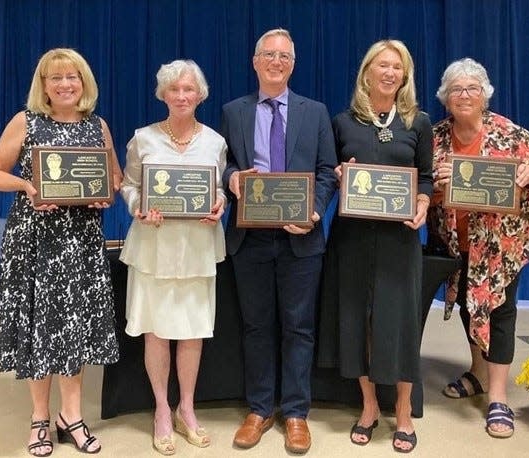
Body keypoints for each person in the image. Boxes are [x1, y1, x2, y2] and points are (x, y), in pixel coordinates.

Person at [0, 48, 122, 456]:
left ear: (84, 82)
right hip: (34, 243)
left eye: (72, 77)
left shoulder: (98, 125)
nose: (64, 84)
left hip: (80, 243)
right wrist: (27, 187)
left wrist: (105, 194)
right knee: (38, 331)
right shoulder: (26, 122)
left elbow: (112, 177)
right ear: (43, 85)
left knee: (72, 330)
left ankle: (71, 417)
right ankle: (40, 418)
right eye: (55, 78)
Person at [427, 58, 529, 438]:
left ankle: (498, 397)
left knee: (499, 311)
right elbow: (422, 193)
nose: (464, 95)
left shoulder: (511, 134)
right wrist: (436, 186)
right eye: (456, 90)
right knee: (470, 306)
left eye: (471, 88)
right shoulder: (435, 137)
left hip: (501, 245)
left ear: (484, 95)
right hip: (456, 240)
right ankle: (478, 372)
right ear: (446, 99)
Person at [221, 28, 336, 454]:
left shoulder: (316, 111)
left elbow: (327, 171)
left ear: (293, 63)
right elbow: (225, 162)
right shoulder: (233, 111)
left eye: (284, 56)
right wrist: (232, 178)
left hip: (301, 239)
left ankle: (295, 413)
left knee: (299, 327)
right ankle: (258, 408)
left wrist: (315, 211)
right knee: (255, 326)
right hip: (249, 238)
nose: (276, 61)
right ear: (255, 62)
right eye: (268, 54)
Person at [318, 39, 432, 453]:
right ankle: (368, 405)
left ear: (405, 76)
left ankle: (402, 408)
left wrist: (421, 203)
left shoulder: (418, 122)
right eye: (382, 65)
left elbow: (426, 178)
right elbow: (330, 175)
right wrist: (337, 173)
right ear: (367, 72)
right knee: (355, 321)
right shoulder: (343, 121)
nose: (389, 72)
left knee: (398, 321)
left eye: (397, 67)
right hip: (351, 237)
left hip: (399, 238)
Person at [119, 59, 227, 455]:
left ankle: (187, 408)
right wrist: (137, 207)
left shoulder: (215, 141)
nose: (182, 96)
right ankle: (162, 409)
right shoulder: (142, 138)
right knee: (157, 331)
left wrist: (219, 204)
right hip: (154, 246)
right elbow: (129, 186)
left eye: (189, 89)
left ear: (200, 95)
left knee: (193, 330)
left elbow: (218, 191)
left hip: (198, 248)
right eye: (174, 89)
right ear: (163, 94)